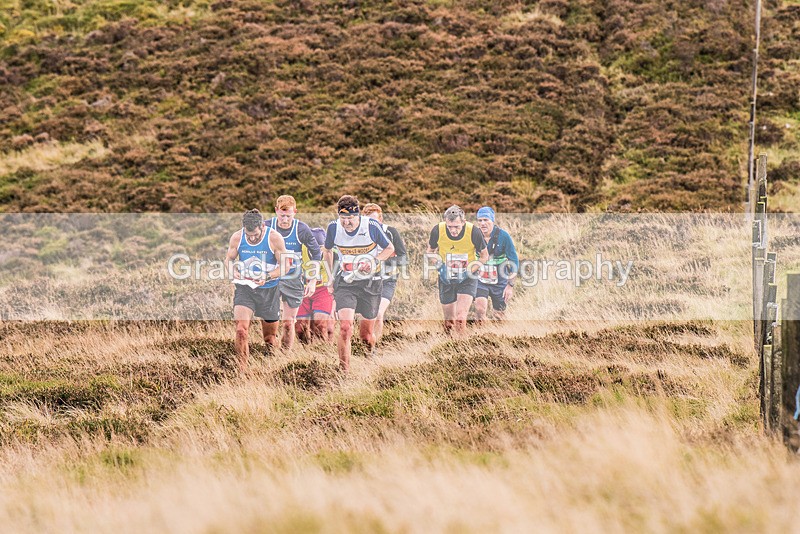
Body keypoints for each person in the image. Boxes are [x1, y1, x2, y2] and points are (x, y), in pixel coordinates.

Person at [323, 195, 395, 373]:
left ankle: (371, 353)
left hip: (370, 283)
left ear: (358, 215)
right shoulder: (333, 228)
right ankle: (344, 371)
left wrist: (374, 261)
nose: (347, 223)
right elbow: (327, 251)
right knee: (346, 327)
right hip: (346, 282)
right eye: (343, 218)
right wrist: (331, 277)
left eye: (350, 218)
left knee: (366, 336)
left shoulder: (371, 226)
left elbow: (390, 249)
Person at [224, 209, 289, 372]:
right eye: (249, 234)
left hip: (269, 290)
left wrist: (267, 276)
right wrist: (234, 272)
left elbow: (285, 266)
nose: (252, 238)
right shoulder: (237, 237)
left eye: (255, 235)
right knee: (241, 329)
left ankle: (271, 368)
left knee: (269, 339)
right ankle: (242, 371)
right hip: (245, 289)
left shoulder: (274, 238)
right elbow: (228, 260)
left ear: (262, 226)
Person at [264, 195, 320, 351]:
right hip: (272, 279)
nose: (285, 220)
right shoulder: (267, 227)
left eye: (288, 216)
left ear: (295, 212)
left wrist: (313, 280)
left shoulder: (301, 229)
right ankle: (270, 351)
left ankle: (285, 355)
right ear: (276, 211)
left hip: (294, 280)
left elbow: (316, 254)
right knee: (271, 320)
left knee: (289, 322)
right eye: (282, 215)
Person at [426, 205, 488, 335]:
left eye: (457, 227)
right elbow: (430, 252)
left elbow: (484, 256)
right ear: (445, 222)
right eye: (450, 227)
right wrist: (440, 267)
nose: (453, 231)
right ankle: (448, 347)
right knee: (449, 322)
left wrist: (469, 271)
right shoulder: (438, 230)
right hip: (446, 277)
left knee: (460, 318)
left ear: (463, 222)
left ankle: (461, 349)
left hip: (467, 278)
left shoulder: (473, 231)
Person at [361, 203, 407, 341]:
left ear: (380, 220)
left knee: (379, 313)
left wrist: (380, 261)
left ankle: (377, 345)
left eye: (374, 220)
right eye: (369, 221)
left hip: (387, 280)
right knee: (366, 316)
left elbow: (403, 258)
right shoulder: (361, 235)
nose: (372, 224)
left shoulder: (391, 232)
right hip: (367, 281)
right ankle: (367, 343)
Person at [474, 206, 519, 322]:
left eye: (486, 220)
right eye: (480, 220)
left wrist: (510, 286)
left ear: (492, 221)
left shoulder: (504, 236)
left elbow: (513, 261)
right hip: (480, 279)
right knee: (480, 309)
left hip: (500, 279)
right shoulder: (474, 235)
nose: (483, 223)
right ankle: (480, 336)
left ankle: (496, 336)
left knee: (499, 317)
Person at [296, 227, 335, 342]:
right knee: (300, 328)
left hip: (323, 290)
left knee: (320, 325)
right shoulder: (299, 250)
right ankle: (306, 353)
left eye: (320, 248)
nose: (317, 251)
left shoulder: (332, 253)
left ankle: (321, 352)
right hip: (303, 290)